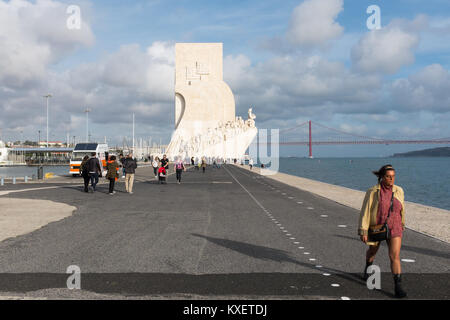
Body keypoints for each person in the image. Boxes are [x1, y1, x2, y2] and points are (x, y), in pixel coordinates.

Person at [358, 164, 407, 298]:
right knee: (372, 251)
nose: (391, 179)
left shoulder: (399, 190)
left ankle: (398, 286)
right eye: (388, 177)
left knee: (394, 256)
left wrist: (402, 223)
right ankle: (368, 266)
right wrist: (363, 230)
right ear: (382, 177)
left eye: (393, 176)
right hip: (377, 226)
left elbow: (401, 209)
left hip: (395, 227)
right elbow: (365, 211)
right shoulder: (373, 191)